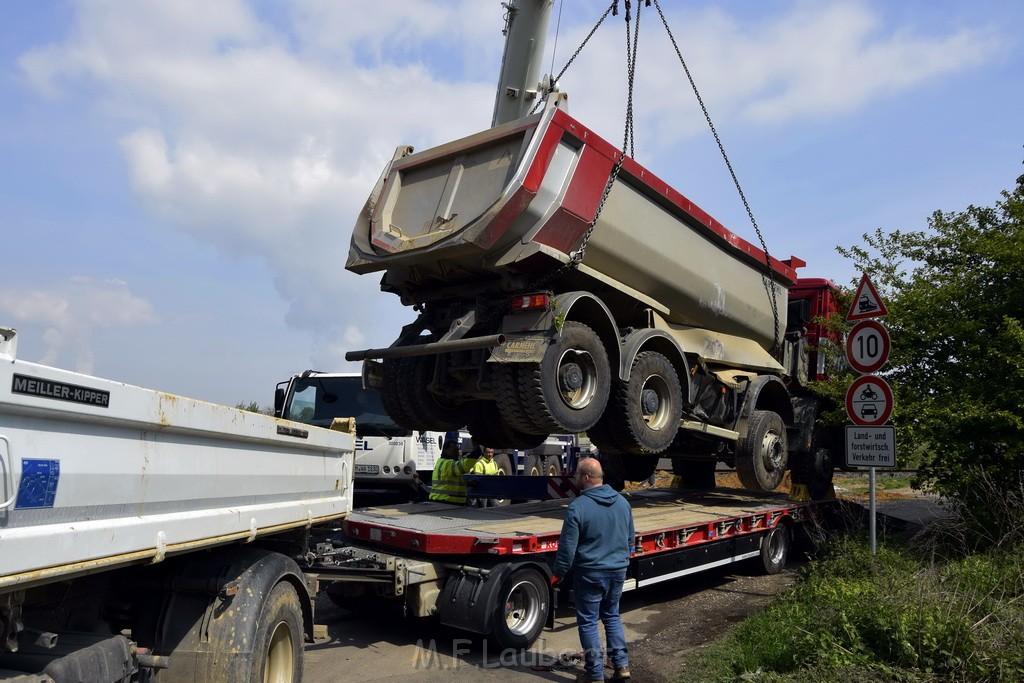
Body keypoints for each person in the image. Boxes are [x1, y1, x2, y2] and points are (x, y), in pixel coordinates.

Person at [552, 457, 634, 683]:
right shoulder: (622, 503)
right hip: (617, 570)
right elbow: (630, 540)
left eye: (576, 473)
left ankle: (595, 674)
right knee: (612, 616)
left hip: (590, 572)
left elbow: (567, 549)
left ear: (586, 477)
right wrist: (621, 560)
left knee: (588, 622)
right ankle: (622, 667)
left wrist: (557, 574)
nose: (574, 476)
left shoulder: (578, 507)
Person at [428, 432, 478, 505]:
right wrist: (476, 452)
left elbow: (449, 481)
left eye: (458, 451)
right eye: (454, 450)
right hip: (446, 502)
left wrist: (467, 483)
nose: (457, 453)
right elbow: (464, 466)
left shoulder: (443, 462)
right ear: (446, 450)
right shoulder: (448, 464)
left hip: (444, 501)